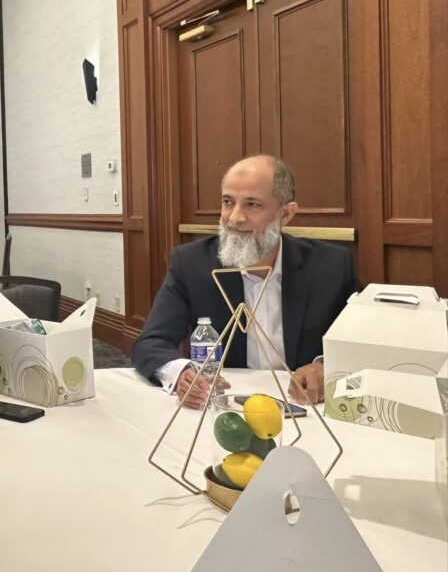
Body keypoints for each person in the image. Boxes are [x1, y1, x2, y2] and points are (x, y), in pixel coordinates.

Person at [132, 154, 359, 410]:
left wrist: (324, 366)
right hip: (226, 407)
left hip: (306, 406)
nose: (234, 218)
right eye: (228, 202)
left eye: (252, 205)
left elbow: (360, 343)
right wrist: (182, 372)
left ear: (285, 214)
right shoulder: (192, 263)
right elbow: (151, 343)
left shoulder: (331, 266)